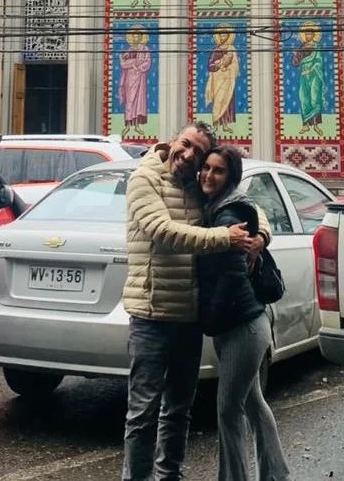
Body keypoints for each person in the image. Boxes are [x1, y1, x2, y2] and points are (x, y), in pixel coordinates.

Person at [122, 121, 265, 481]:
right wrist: (224, 238)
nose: (187, 156)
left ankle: (170, 475)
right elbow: (163, 232)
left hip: (188, 316)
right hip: (151, 314)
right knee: (143, 413)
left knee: (178, 410)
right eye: (185, 145)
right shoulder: (145, 179)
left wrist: (260, 235)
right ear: (172, 140)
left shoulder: (196, 186)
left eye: (197, 154)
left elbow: (248, 206)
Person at [197, 145, 292, 481]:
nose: (208, 175)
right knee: (253, 403)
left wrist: (210, 317)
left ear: (231, 177)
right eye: (205, 167)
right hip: (244, 325)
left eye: (218, 170)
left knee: (228, 410)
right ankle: (276, 474)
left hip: (242, 327)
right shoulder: (219, 205)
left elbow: (232, 275)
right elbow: (257, 213)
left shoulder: (226, 215)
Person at [290, 22, 324, 137]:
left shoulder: (317, 46)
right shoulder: (301, 47)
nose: (308, 36)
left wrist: (312, 68)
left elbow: (319, 61)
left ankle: (315, 125)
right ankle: (305, 125)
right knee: (303, 98)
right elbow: (295, 63)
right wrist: (295, 55)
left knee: (314, 98)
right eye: (306, 34)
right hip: (304, 76)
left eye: (310, 34)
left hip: (314, 76)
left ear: (314, 35)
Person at [205, 25, 239, 135]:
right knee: (218, 102)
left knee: (228, 103)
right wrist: (218, 64)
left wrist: (229, 67)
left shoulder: (231, 49)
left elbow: (235, 64)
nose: (223, 37)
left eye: (225, 35)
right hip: (218, 80)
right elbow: (209, 66)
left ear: (228, 36)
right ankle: (215, 124)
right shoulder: (215, 50)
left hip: (228, 80)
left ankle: (225, 125)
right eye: (221, 35)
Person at [119, 26, 152, 138]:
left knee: (138, 102)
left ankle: (137, 125)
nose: (136, 38)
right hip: (129, 78)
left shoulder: (144, 49)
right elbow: (123, 63)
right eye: (134, 36)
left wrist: (139, 67)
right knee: (129, 101)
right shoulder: (129, 50)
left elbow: (147, 62)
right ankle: (128, 125)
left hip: (139, 78)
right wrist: (132, 62)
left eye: (138, 36)